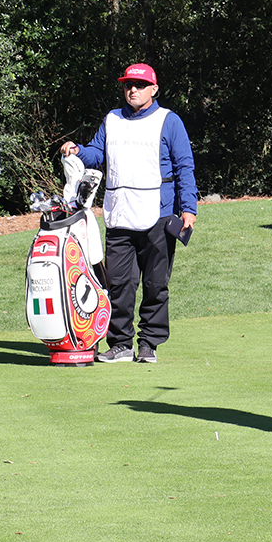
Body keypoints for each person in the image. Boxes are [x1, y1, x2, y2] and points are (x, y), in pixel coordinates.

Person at [62, 62, 197, 365]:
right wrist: (78, 151)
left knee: (155, 284)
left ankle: (149, 344)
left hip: (158, 214)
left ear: (154, 89)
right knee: (119, 284)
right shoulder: (112, 119)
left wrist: (188, 208)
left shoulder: (169, 120)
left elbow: (184, 166)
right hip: (119, 213)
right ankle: (120, 344)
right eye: (127, 85)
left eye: (139, 85)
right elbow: (97, 153)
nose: (132, 89)